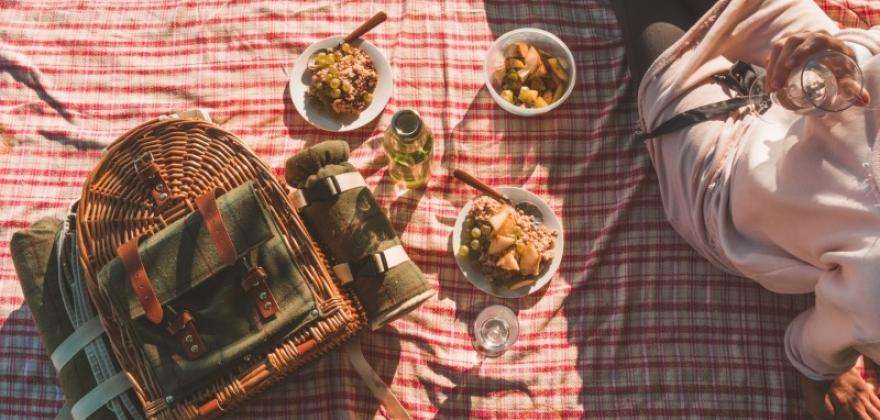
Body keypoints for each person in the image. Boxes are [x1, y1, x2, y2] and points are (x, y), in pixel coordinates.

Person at [612, 0, 880, 418]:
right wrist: (833, 57)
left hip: (721, 176)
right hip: (814, 82)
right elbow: (870, 53)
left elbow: (808, 348)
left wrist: (827, 371)